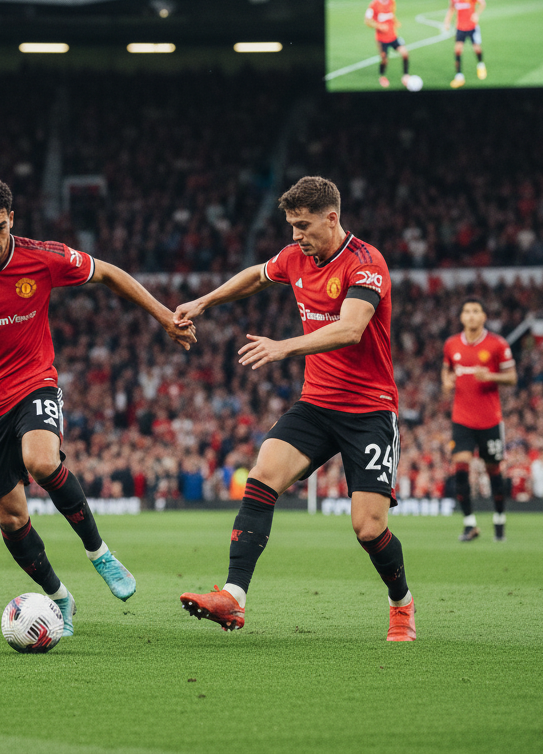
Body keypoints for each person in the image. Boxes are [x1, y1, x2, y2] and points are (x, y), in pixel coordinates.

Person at [0, 176, 194, 636]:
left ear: (11, 219)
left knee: (40, 460)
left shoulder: (43, 256)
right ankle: (58, 597)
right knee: (11, 516)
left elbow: (110, 273)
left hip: (33, 382)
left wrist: (164, 318)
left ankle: (100, 553)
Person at [175, 176, 415, 641]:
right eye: (290, 226)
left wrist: (284, 347)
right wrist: (206, 301)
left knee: (368, 529)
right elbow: (256, 275)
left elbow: (350, 329)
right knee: (263, 474)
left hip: (369, 411)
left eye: (303, 226)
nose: (295, 236)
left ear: (332, 218)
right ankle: (233, 597)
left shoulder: (366, 264)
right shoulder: (295, 258)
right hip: (317, 404)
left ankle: (401, 603)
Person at [442, 299, 517, 541]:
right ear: (462, 317)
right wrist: (446, 380)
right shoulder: (451, 344)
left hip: (490, 420)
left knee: (493, 470)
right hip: (461, 418)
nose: (471, 315)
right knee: (460, 468)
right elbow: (446, 369)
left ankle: (499, 520)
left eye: (476, 311)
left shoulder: (497, 344)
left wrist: (491, 376)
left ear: (484, 317)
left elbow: (512, 377)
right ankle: (469, 524)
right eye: (467, 311)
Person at [443, 0, 486, 89]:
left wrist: (477, 14)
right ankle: (459, 76)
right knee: (457, 50)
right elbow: (451, 9)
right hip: (460, 28)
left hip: (472, 27)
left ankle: (481, 65)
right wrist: (446, 22)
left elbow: (482, 3)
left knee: (477, 48)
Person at [365, 0, 411, 89]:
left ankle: (405, 75)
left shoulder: (392, 1)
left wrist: (396, 22)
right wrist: (379, 26)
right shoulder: (374, 4)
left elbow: (392, 14)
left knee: (405, 53)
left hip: (393, 37)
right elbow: (367, 20)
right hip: (381, 39)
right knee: (384, 60)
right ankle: (382, 76)